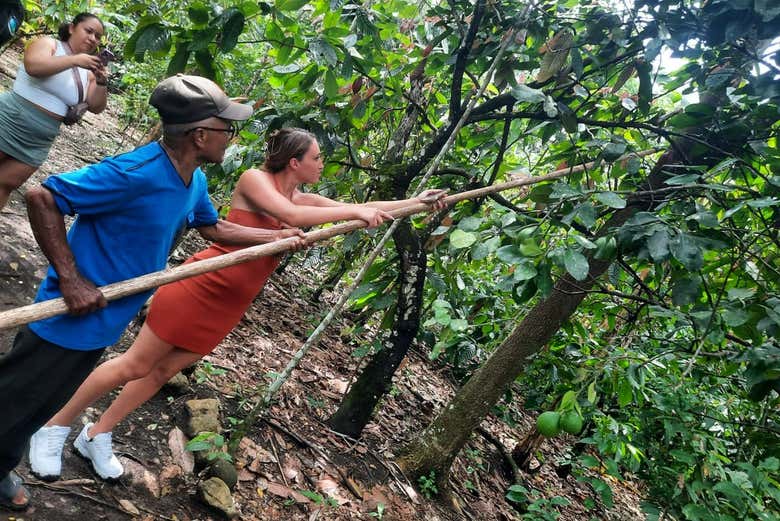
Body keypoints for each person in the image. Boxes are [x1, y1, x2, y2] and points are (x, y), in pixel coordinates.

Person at [28, 127, 448, 482]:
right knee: (135, 364)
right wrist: (358, 212)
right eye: (317, 157)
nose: (322, 165)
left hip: (229, 304)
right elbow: (295, 217)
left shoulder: (300, 196)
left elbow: (366, 209)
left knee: (162, 372)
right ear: (294, 161)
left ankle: (97, 435)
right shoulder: (256, 181)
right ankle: (54, 425)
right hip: (199, 286)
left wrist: (417, 203)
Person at [0, 74, 306, 511]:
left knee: (41, 401)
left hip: (107, 317)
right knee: (17, 395)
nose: (231, 140)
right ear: (200, 135)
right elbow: (42, 196)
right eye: (227, 130)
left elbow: (212, 227)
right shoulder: (136, 173)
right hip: (68, 317)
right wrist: (70, 278)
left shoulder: (193, 179)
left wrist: (273, 240)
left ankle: (2, 461)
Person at [0, 12, 109, 210]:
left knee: (5, 184)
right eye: (89, 31)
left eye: (98, 36)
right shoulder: (50, 44)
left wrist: (101, 81)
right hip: (10, 120)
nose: (93, 38)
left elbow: (96, 106)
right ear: (71, 28)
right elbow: (34, 66)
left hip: (39, 140)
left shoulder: (89, 71)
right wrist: (75, 60)